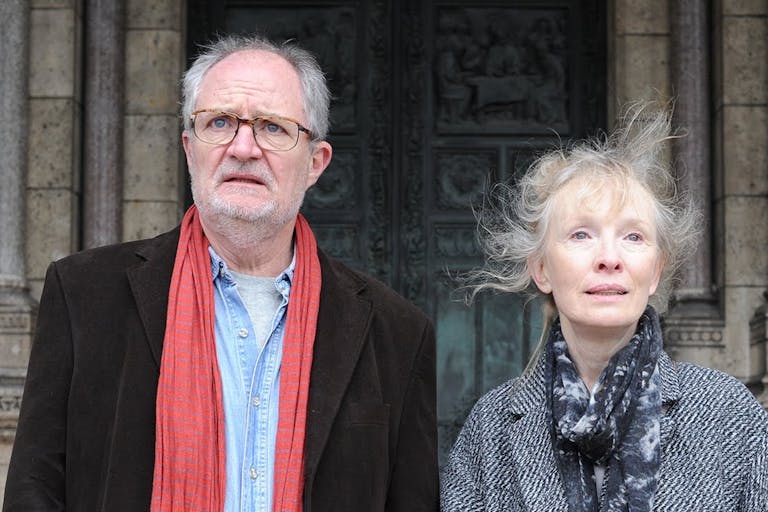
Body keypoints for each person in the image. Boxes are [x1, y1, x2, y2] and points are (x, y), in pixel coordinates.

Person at [4, 34, 438, 512]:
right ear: (190, 149)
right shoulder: (83, 294)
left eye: (273, 128)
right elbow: (34, 489)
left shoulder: (396, 331)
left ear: (316, 162)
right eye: (220, 122)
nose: (244, 147)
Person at [440, 105, 768, 511]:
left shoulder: (729, 414)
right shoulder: (491, 429)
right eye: (581, 234)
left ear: (654, 272)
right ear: (541, 269)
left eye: (633, 236)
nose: (609, 258)